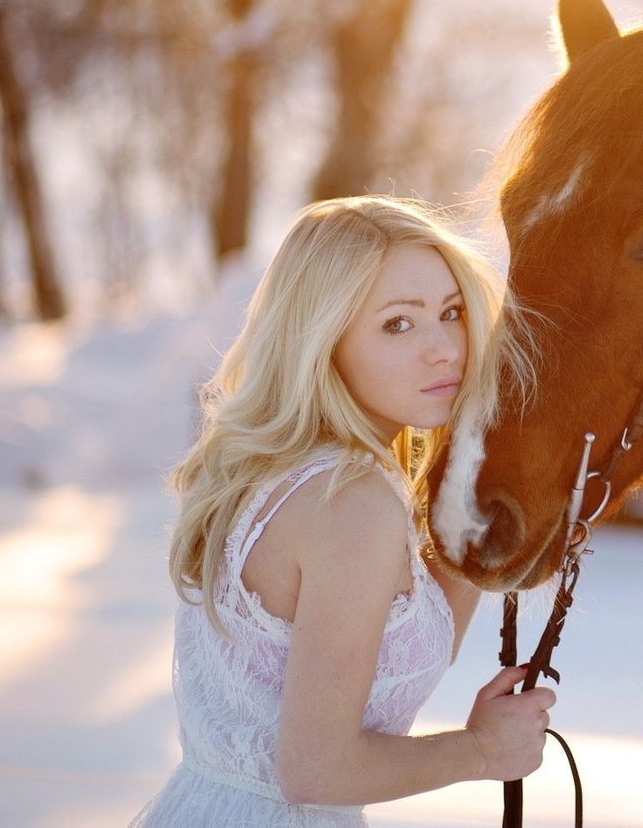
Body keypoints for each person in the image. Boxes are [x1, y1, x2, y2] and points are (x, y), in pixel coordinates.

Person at [132, 196, 553, 827]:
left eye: (452, 312)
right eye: (398, 324)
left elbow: (415, 637)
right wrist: (483, 751)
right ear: (323, 339)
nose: (445, 349)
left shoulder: (288, 472)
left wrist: (485, 456)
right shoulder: (350, 503)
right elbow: (316, 770)